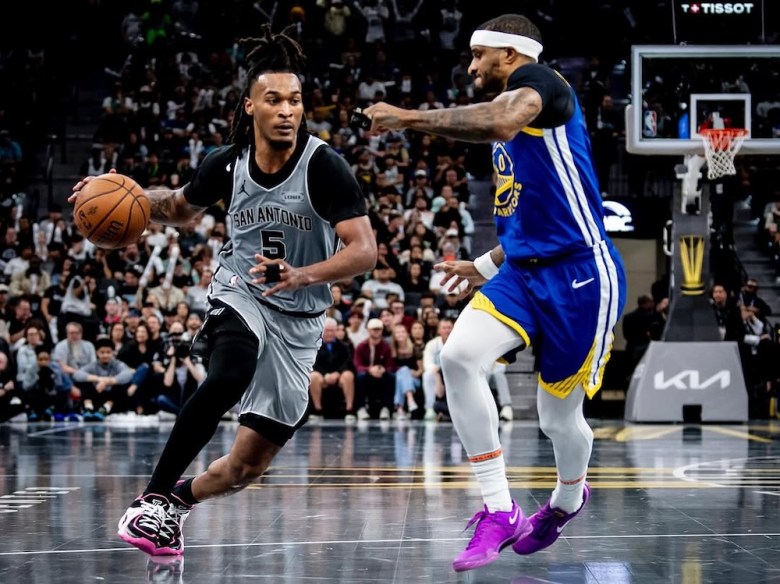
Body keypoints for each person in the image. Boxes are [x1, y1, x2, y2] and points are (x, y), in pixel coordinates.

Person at [69, 25, 376, 557]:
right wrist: (133, 196)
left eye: (296, 101)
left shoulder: (324, 167)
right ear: (250, 106)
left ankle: (174, 505)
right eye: (274, 100)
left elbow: (364, 251)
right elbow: (181, 210)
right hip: (242, 290)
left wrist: (303, 275)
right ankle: (152, 496)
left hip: (299, 318)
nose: (287, 111)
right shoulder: (226, 162)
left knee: (243, 468)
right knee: (231, 368)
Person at [365, 13, 627, 572]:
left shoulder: (542, 86)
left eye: (477, 55)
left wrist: (407, 118)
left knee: (558, 420)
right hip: (523, 271)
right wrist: (484, 263)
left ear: (508, 54)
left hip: (581, 275)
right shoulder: (515, 101)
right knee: (458, 357)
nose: (471, 65)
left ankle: (565, 499)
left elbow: (502, 122)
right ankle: (499, 507)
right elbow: (534, 212)